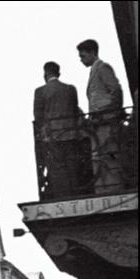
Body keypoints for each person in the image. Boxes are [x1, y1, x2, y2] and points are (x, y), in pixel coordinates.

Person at [33, 61, 86, 198]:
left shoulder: (40, 92)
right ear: (58, 73)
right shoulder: (70, 89)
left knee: (57, 169)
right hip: (71, 135)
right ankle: (75, 194)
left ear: (45, 74)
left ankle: (62, 197)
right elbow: (75, 110)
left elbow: (38, 117)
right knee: (72, 167)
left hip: (52, 137)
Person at [77, 39, 125, 191]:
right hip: (98, 123)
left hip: (105, 121)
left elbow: (116, 90)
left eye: (83, 56)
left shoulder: (103, 67)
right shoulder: (94, 70)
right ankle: (105, 189)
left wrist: (111, 113)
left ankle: (113, 188)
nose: (81, 60)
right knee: (100, 156)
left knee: (108, 154)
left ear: (92, 53)